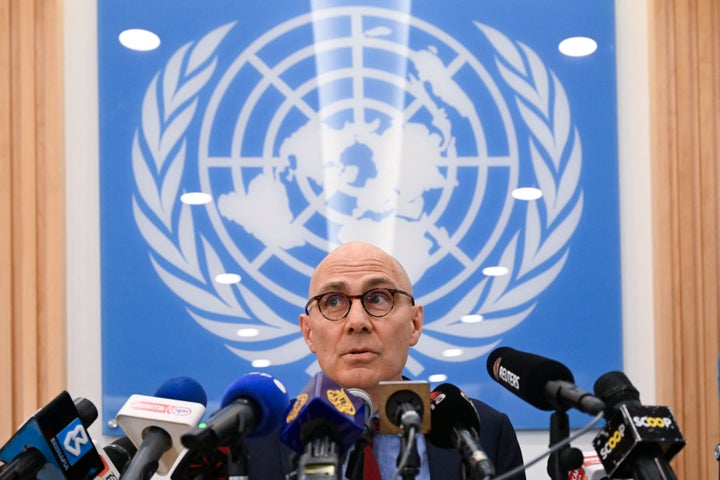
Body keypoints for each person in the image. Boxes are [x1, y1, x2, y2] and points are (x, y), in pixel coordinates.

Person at [242, 241, 526, 479]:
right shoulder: (254, 443)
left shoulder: (482, 430)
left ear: (414, 324)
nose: (357, 321)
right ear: (309, 333)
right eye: (333, 301)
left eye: (378, 298)